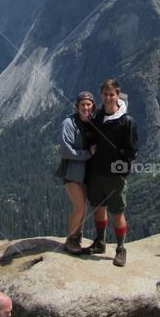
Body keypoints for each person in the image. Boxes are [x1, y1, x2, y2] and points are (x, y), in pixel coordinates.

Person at [85, 78, 138, 267]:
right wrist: (91, 144)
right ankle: (100, 242)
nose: (108, 97)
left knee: (117, 211)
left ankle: (121, 248)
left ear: (118, 95)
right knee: (98, 208)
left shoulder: (126, 121)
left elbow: (131, 151)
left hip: (115, 175)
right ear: (101, 95)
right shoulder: (98, 117)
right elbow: (90, 134)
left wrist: (121, 171)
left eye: (112, 94)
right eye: (105, 94)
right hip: (97, 171)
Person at [56, 90, 97, 254]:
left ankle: (77, 237)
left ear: (93, 106)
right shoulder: (69, 123)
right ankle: (71, 239)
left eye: (88, 104)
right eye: (83, 105)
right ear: (77, 106)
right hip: (71, 173)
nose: (86, 107)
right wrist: (87, 154)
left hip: (87, 173)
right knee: (79, 207)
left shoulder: (94, 122)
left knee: (84, 208)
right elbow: (66, 150)